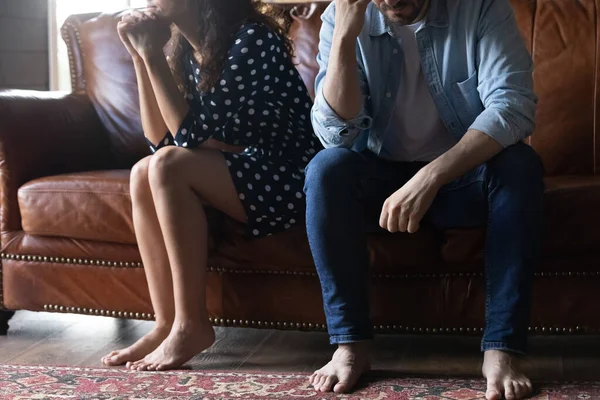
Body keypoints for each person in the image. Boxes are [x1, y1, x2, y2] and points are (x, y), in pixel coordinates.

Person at [304, 0, 543, 398]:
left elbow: (512, 105)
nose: (393, 1)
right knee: (326, 168)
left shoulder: (481, 8)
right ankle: (350, 344)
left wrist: (431, 175)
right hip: (383, 184)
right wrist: (346, 35)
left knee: (520, 164)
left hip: (462, 177)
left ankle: (501, 348)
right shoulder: (342, 14)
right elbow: (335, 134)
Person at [100, 0, 319, 371]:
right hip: (249, 168)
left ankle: (192, 325)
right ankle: (166, 323)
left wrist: (151, 53)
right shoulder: (187, 48)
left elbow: (186, 137)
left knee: (168, 165)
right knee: (143, 171)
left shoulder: (252, 38)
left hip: (294, 178)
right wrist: (140, 56)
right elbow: (158, 138)